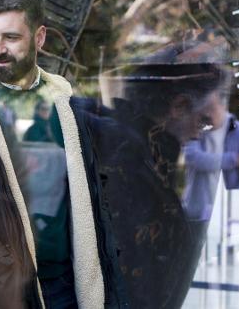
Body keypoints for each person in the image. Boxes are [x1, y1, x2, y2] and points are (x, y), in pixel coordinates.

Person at [0, 0, 127, 308]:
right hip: (2, 290)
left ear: (39, 38)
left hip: (67, 284)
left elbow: (89, 195)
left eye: (11, 37)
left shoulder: (64, 102)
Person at [97, 42, 230, 309]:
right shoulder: (132, 164)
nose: (197, 134)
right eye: (201, 121)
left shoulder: (139, 152)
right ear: (179, 106)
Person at [182, 85, 239, 222]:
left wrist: (238, 199)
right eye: (203, 108)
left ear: (224, 106)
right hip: (196, 211)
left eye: (211, 108)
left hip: (230, 214)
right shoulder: (196, 128)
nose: (207, 114)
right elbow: (193, 158)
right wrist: (234, 160)